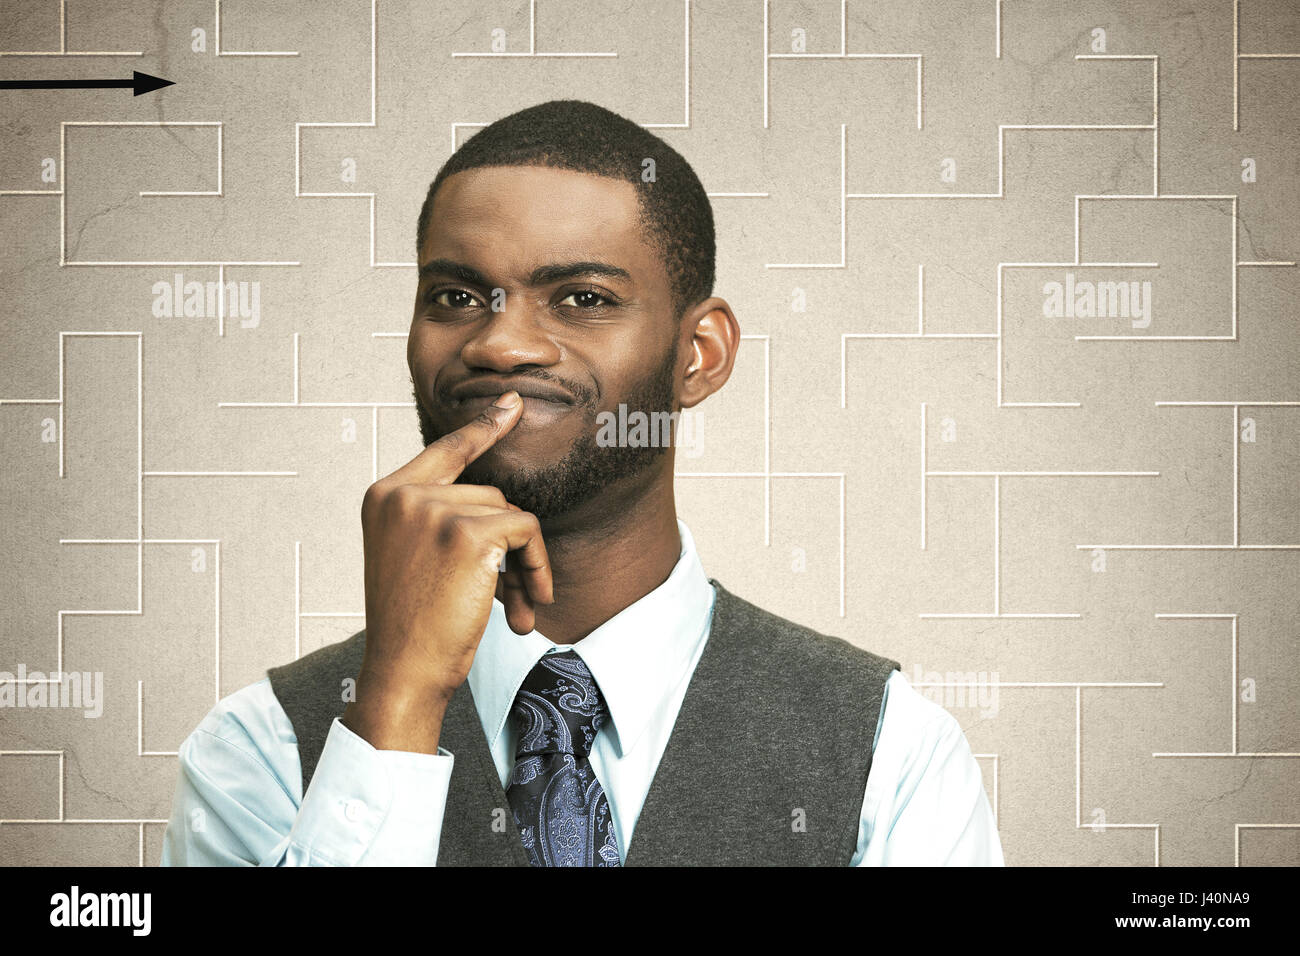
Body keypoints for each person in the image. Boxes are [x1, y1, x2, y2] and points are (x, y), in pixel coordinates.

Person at [160, 99, 1002, 866]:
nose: (500, 344)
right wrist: (397, 709)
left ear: (699, 355)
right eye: (456, 295)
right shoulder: (261, 750)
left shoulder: (888, 754)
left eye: (582, 298)